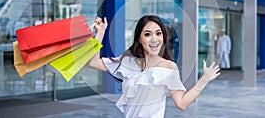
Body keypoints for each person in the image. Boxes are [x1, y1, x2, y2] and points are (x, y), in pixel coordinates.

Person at [88, 15, 220, 118]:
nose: (154, 39)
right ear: (139, 39)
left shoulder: (169, 67)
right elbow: (94, 63)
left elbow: (182, 103)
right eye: (147, 34)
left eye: (158, 33)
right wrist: (100, 33)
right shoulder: (128, 61)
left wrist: (204, 80)